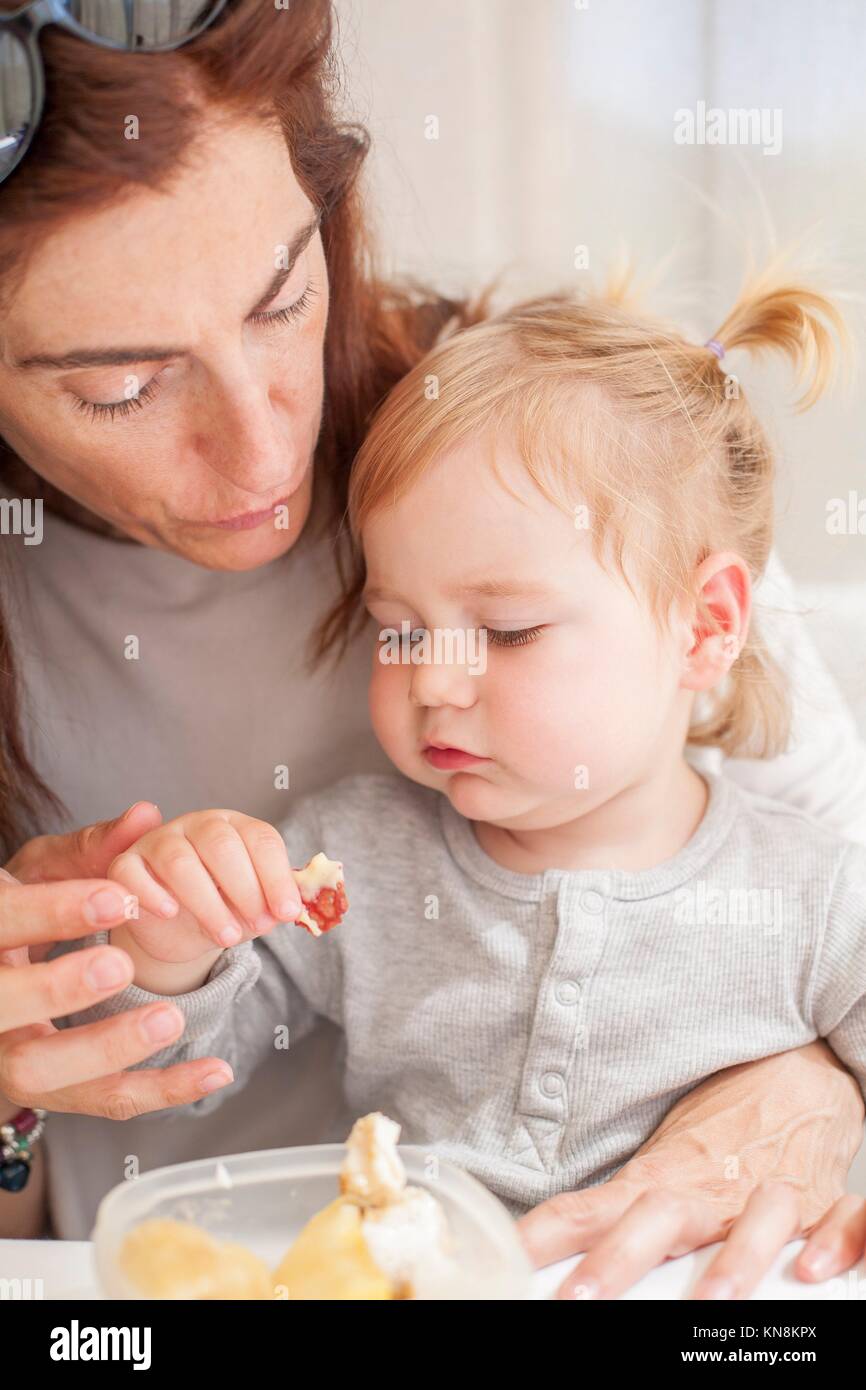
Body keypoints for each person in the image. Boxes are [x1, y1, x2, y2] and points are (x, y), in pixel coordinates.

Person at [0, 0, 864, 1294]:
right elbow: (198, 1022)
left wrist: (816, 1081)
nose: (262, 451)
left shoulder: (562, 451)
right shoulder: (363, 850)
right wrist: (165, 934)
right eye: (120, 386)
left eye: (285, 298)